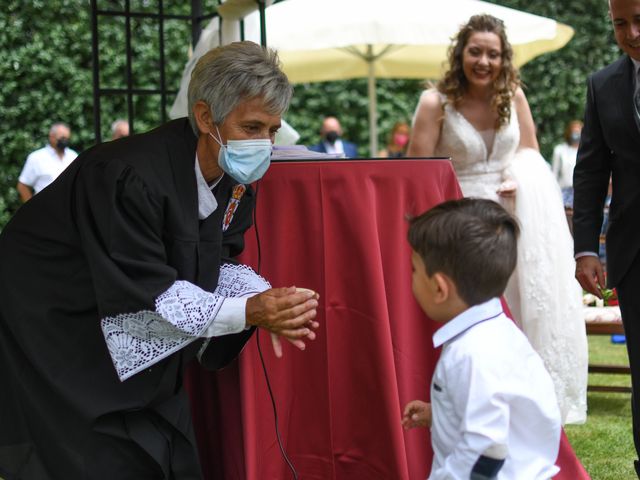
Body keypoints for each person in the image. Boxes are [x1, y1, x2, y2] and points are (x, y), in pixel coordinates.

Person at [0, 41, 320, 479]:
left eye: (273, 130)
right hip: (56, 320)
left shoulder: (234, 179)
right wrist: (248, 310)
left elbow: (216, 262)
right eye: (252, 127)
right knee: (97, 458)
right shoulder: (128, 175)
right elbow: (142, 291)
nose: (264, 144)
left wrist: (267, 301)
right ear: (206, 117)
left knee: (171, 455)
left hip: (134, 328)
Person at [407, 14, 587, 425]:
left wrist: (516, 177)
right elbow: (416, 171)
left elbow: (530, 153)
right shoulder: (436, 103)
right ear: (460, 53)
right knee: (472, 312)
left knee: (517, 311)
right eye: (476, 51)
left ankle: (517, 404)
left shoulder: (514, 96)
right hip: (460, 226)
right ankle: (465, 401)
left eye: (493, 53)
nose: (484, 61)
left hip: (512, 221)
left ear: (504, 58)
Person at [401, 198, 561, 479]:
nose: (410, 278)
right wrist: (440, 412)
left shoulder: (472, 354)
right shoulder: (499, 334)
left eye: (414, 270)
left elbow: (487, 449)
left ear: (439, 288)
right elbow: (498, 407)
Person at [573, 0, 640, 474]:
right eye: (620, 23)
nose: (632, 32)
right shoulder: (602, 85)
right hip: (633, 251)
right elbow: (591, 172)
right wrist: (585, 248)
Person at [16, 122, 78, 202]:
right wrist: (32, 209)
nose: (64, 141)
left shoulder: (73, 156)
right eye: (62, 138)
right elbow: (22, 186)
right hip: (45, 210)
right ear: (51, 136)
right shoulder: (37, 157)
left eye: (67, 139)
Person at [551, 120, 583, 210]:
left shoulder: (585, 151)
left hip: (580, 192)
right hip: (563, 192)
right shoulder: (560, 150)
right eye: (574, 131)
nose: (576, 134)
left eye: (578, 131)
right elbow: (554, 173)